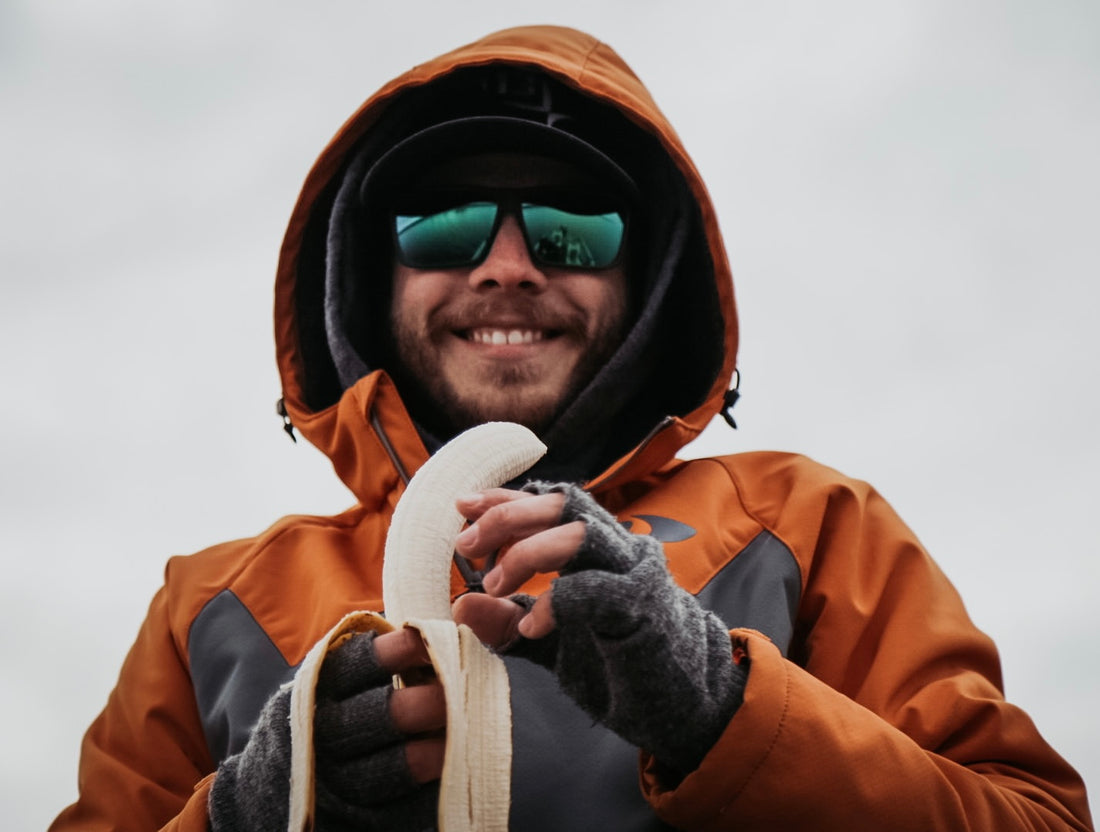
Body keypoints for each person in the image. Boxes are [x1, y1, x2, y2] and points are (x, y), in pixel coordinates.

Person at [51, 24, 1092, 832]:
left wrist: (720, 710)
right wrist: (251, 813)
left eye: (572, 230)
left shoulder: (813, 528)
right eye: (445, 223)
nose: (507, 264)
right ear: (374, 277)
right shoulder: (211, 605)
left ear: (647, 285)